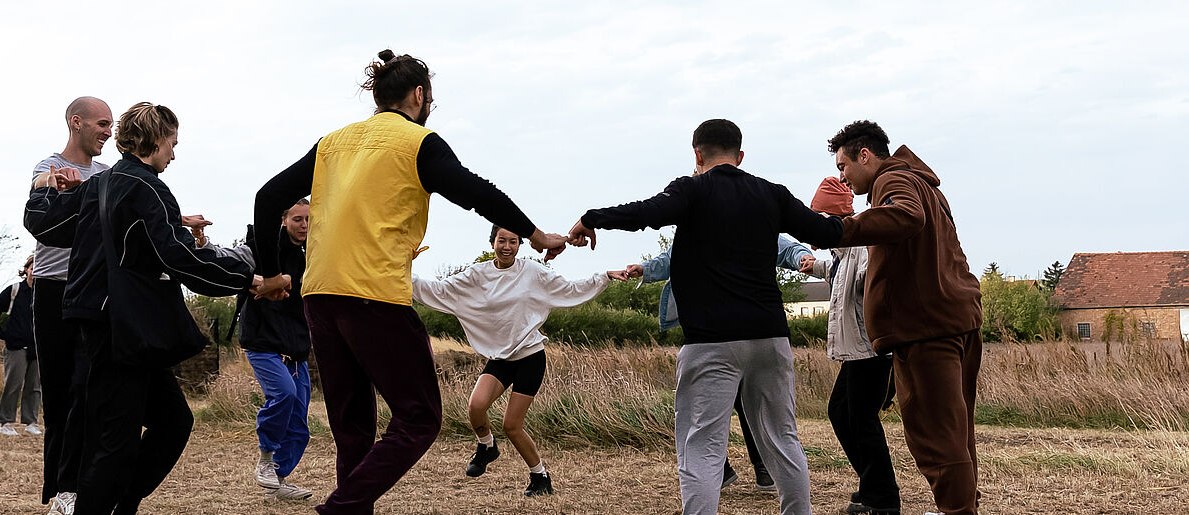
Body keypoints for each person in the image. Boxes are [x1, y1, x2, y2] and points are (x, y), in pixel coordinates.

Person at [250, 49, 569, 514]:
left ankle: (351, 507)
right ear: (419, 95)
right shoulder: (418, 142)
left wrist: (272, 273)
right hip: (375, 296)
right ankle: (341, 507)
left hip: (320, 296)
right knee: (419, 418)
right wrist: (535, 234)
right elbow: (477, 192)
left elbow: (267, 195)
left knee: (352, 425)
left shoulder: (332, 143)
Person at [568, 119, 843, 515]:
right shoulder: (771, 194)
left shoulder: (691, 190)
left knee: (702, 447)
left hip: (710, 342)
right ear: (740, 156)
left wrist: (592, 217)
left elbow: (645, 212)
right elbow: (827, 231)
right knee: (783, 438)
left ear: (697, 154)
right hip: (770, 338)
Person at [26, 102, 261, 514]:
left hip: (118, 325)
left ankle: (122, 502)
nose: (174, 153)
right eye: (172, 143)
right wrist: (248, 278)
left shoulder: (101, 184)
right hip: (120, 327)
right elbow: (178, 257)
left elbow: (42, 222)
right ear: (155, 140)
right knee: (113, 441)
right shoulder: (147, 188)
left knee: (172, 422)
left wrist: (48, 189)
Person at [825, 120, 982, 515]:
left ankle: (957, 511)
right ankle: (960, 507)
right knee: (956, 431)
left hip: (926, 328)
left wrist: (838, 229)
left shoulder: (892, 182)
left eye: (844, 166)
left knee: (935, 433)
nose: (842, 177)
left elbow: (906, 216)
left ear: (865, 156)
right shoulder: (921, 183)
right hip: (954, 316)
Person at [413, 226, 627, 497]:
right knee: (475, 407)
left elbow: (570, 289)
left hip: (530, 357)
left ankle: (541, 478)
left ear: (520, 244)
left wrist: (604, 276)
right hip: (501, 358)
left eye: (513, 241)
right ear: (492, 242)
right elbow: (440, 290)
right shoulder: (478, 275)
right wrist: (401, 270)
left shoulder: (532, 272)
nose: (506, 246)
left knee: (511, 425)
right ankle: (487, 446)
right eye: (501, 240)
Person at [628, 233, 814, 492]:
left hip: (740, 330)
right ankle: (743, 469)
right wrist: (645, 269)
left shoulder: (749, 219)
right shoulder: (696, 230)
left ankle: (754, 468)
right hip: (711, 328)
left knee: (739, 403)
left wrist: (802, 257)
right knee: (719, 404)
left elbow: (784, 247)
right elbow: (671, 258)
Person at [23, 96, 114, 515]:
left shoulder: (107, 175)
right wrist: (49, 184)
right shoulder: (48, 167)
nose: (107, 132)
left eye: (111, 125)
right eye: (101, 123)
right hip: (52, 292)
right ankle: (62, 492)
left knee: (87, 387)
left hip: (93, 293)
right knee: (60, 392)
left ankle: (82, 486)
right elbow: (39, 198)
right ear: (76, 123)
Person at [197, 200, 316, 502]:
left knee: (300, 425)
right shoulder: (261, 248)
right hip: (263, 343)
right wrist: (203, 242)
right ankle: (266, 458)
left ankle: (278, 479)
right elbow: (228, 258)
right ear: (283, 220)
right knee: (284, 394)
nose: (303, 225)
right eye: (297, 219)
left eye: (308, 220)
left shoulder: (312, 254)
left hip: (297, 350)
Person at [801, 177, 900, 514]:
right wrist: (815, 265)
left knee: (861, 420)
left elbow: (873, 279)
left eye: (817, 218)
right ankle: (874, 484)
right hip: (856, 352)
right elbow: (841, 271)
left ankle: (883, 500)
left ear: (834, 218)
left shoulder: (864, 246)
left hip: (871, 351)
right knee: (841, 413)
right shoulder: (843, 252)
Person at [0, 255, 42, 436]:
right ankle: (6, 423)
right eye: (32, 267)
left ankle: (31, 422)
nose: (35, 271)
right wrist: (4, 335)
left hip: (37, 347)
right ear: (26, 269)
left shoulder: (44, 293)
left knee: (34, 387)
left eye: (39, 268)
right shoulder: (14, 290)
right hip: (16, 347)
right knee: (13, 384)